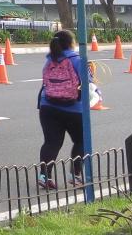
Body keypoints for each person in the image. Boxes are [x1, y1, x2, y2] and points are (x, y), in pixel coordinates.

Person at [37, 30, 85, 189]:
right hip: (74, 109)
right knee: (81, 140)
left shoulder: (49, 60)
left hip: (48, 106)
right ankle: (75, 174)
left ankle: (44, 176)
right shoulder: (77, 60)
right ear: (72, 43)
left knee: (51, 143)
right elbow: (88, 84)